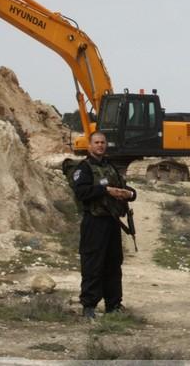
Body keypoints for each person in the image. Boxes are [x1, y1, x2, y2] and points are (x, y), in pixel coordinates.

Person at [71, 131, 136, 318]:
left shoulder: (110, 166)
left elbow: (124, 187)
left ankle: (113, 305)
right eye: (96, 142)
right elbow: (81, 192)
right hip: (94, 222)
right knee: (93, 263)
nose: (100, 145)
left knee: (113, 264)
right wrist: (105, 190)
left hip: (112, 221)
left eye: (103, 142)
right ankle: (89, 306)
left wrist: (129, 194)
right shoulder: (83, 168)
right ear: (89, 146)